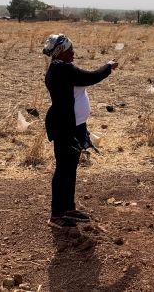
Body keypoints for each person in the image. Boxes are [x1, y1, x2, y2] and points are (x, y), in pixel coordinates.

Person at [42, 34, 118, 228]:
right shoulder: (62, 70)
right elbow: (91, 77)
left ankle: (68, 208)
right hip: (65, 126)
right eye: (70, 50)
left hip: (73, 125)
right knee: (63, 169)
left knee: (70, 167)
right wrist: (108, 67)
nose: (73, 53)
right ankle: (57, 215)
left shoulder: (59, 69)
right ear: (61, 52)